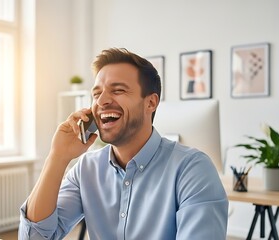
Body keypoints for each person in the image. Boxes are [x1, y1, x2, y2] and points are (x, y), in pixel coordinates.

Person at [19, 48, 228, 239]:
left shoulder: (193, 169)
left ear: (151, 102)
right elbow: (33, 237)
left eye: (117, 90)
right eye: (97, 93)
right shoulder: (86, 169)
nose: (101, 102)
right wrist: (57, 156)